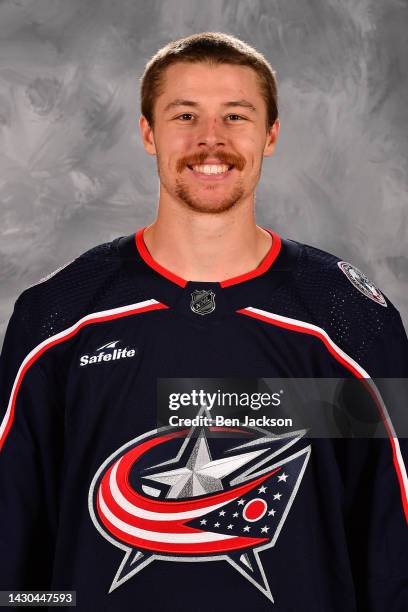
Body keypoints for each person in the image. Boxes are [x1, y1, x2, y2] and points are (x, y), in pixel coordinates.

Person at [0, 31, 407, 611]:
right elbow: (15, 545)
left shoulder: (348, 321)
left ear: (270, 134)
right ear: (148, 132)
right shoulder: (60, 315)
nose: (209, 140)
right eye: (184, 115)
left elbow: (393, 545)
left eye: (235, 116)